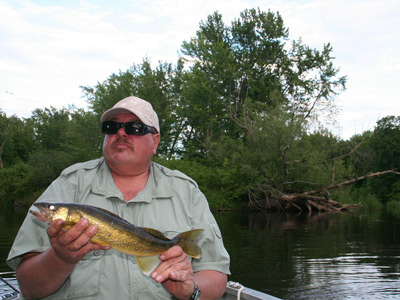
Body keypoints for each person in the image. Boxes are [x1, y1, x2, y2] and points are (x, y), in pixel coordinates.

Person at [7, 96, 230, 300]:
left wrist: (190, 291)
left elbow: (216, 276)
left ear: (155, 141)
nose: (121, 133)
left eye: (135, 127)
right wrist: (62, 258)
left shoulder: (186, 192)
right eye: (112, 127)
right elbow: (28, 287)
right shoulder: (69, 185)